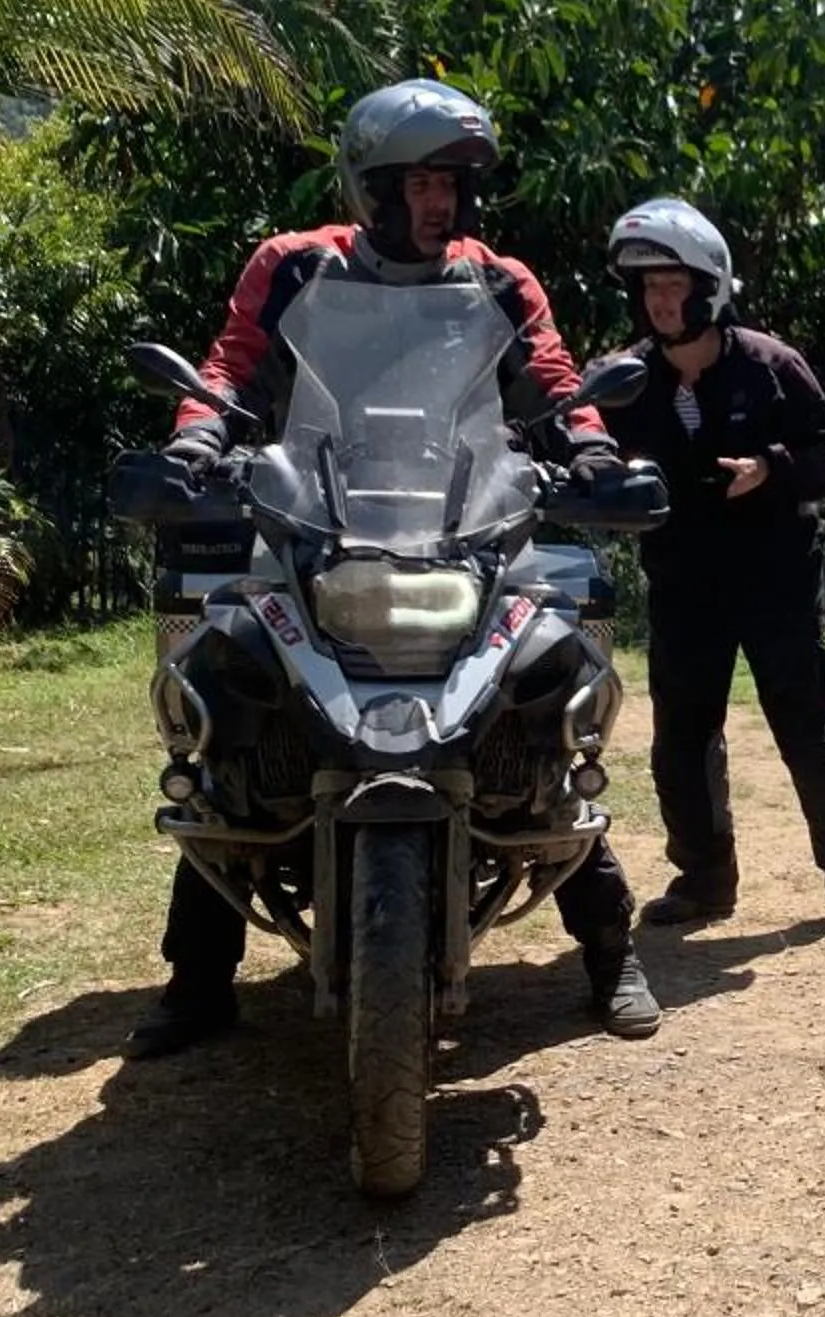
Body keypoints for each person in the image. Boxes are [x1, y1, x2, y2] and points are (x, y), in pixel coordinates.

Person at [126, 79, 662, 1057]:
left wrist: (590, 450)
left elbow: (549, 379)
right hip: (313, 522)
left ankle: (611, 951)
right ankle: (198, 978)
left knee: (541, 714)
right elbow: (233, 368)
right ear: (370, 188)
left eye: (451, 184)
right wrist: (197, 441)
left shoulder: (498, 279)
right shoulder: (294, 266)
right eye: (418, 183)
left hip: (466, 525)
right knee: (234, 711)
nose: (438, 202)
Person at [585, 196, 825, 931]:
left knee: (803, 724)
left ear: (709, 287)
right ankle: (703, 881)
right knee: (681, 738)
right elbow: (578, 441)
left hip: (775, 574)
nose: (660, 302)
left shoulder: (771, 366)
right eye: (648, 288)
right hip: (683, 579)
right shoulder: (623, 379)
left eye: (673, 285)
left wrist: (771, 467)